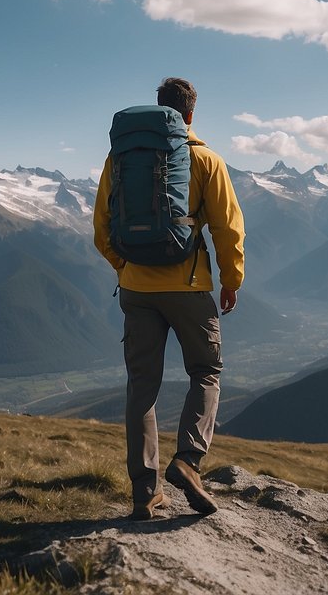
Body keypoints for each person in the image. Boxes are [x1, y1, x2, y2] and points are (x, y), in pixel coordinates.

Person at [93, 77, 246, 520]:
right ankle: (188, 462)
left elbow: (102, 227)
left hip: (137, 291)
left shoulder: (118, 159)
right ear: (190, 115)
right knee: (206, 370)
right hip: (190, 288)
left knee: (142, 386)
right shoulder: (205, 160)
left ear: (159, 108)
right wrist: (231, 279)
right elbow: (227, 227)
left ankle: (144, 493)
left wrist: (124, 267)